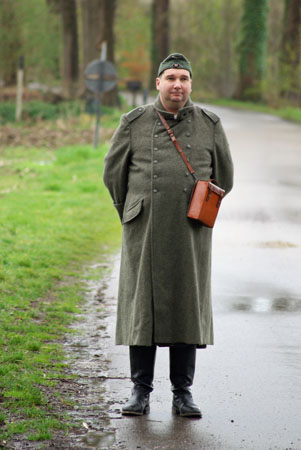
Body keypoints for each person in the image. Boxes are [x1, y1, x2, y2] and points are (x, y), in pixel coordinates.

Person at [103, 53, 234, 417]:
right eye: (171, 77)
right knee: (141, 309)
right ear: (158, 82)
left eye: (184, 78)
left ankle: (183, 393)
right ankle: (139, 391)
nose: (178, 84)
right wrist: (131, 211)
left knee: (185, 308)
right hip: (143, 230)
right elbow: (114, 173)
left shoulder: (210, 123)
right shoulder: (133, 122)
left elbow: (225, 177)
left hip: (190, 231)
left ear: (191, 84)